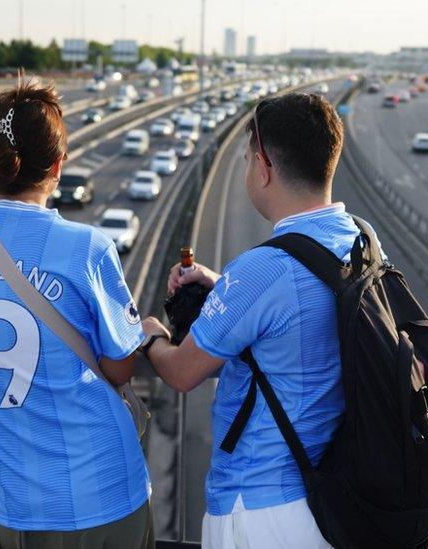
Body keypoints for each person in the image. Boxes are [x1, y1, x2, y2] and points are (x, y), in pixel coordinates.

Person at [140, 93, 385, 549]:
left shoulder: (263, 270)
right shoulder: (361, 240)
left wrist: (152, 334)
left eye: (249, 159)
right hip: (329, 500)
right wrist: (223, 288)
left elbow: (181, 372)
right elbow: (304, 307)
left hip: (257, 510)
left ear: (265, 166)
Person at [0, 77, 154, 549]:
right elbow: (120, 365)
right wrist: (143, 330)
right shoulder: (87, 247)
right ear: (58, 165)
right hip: (102, 497)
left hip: (14, 505)